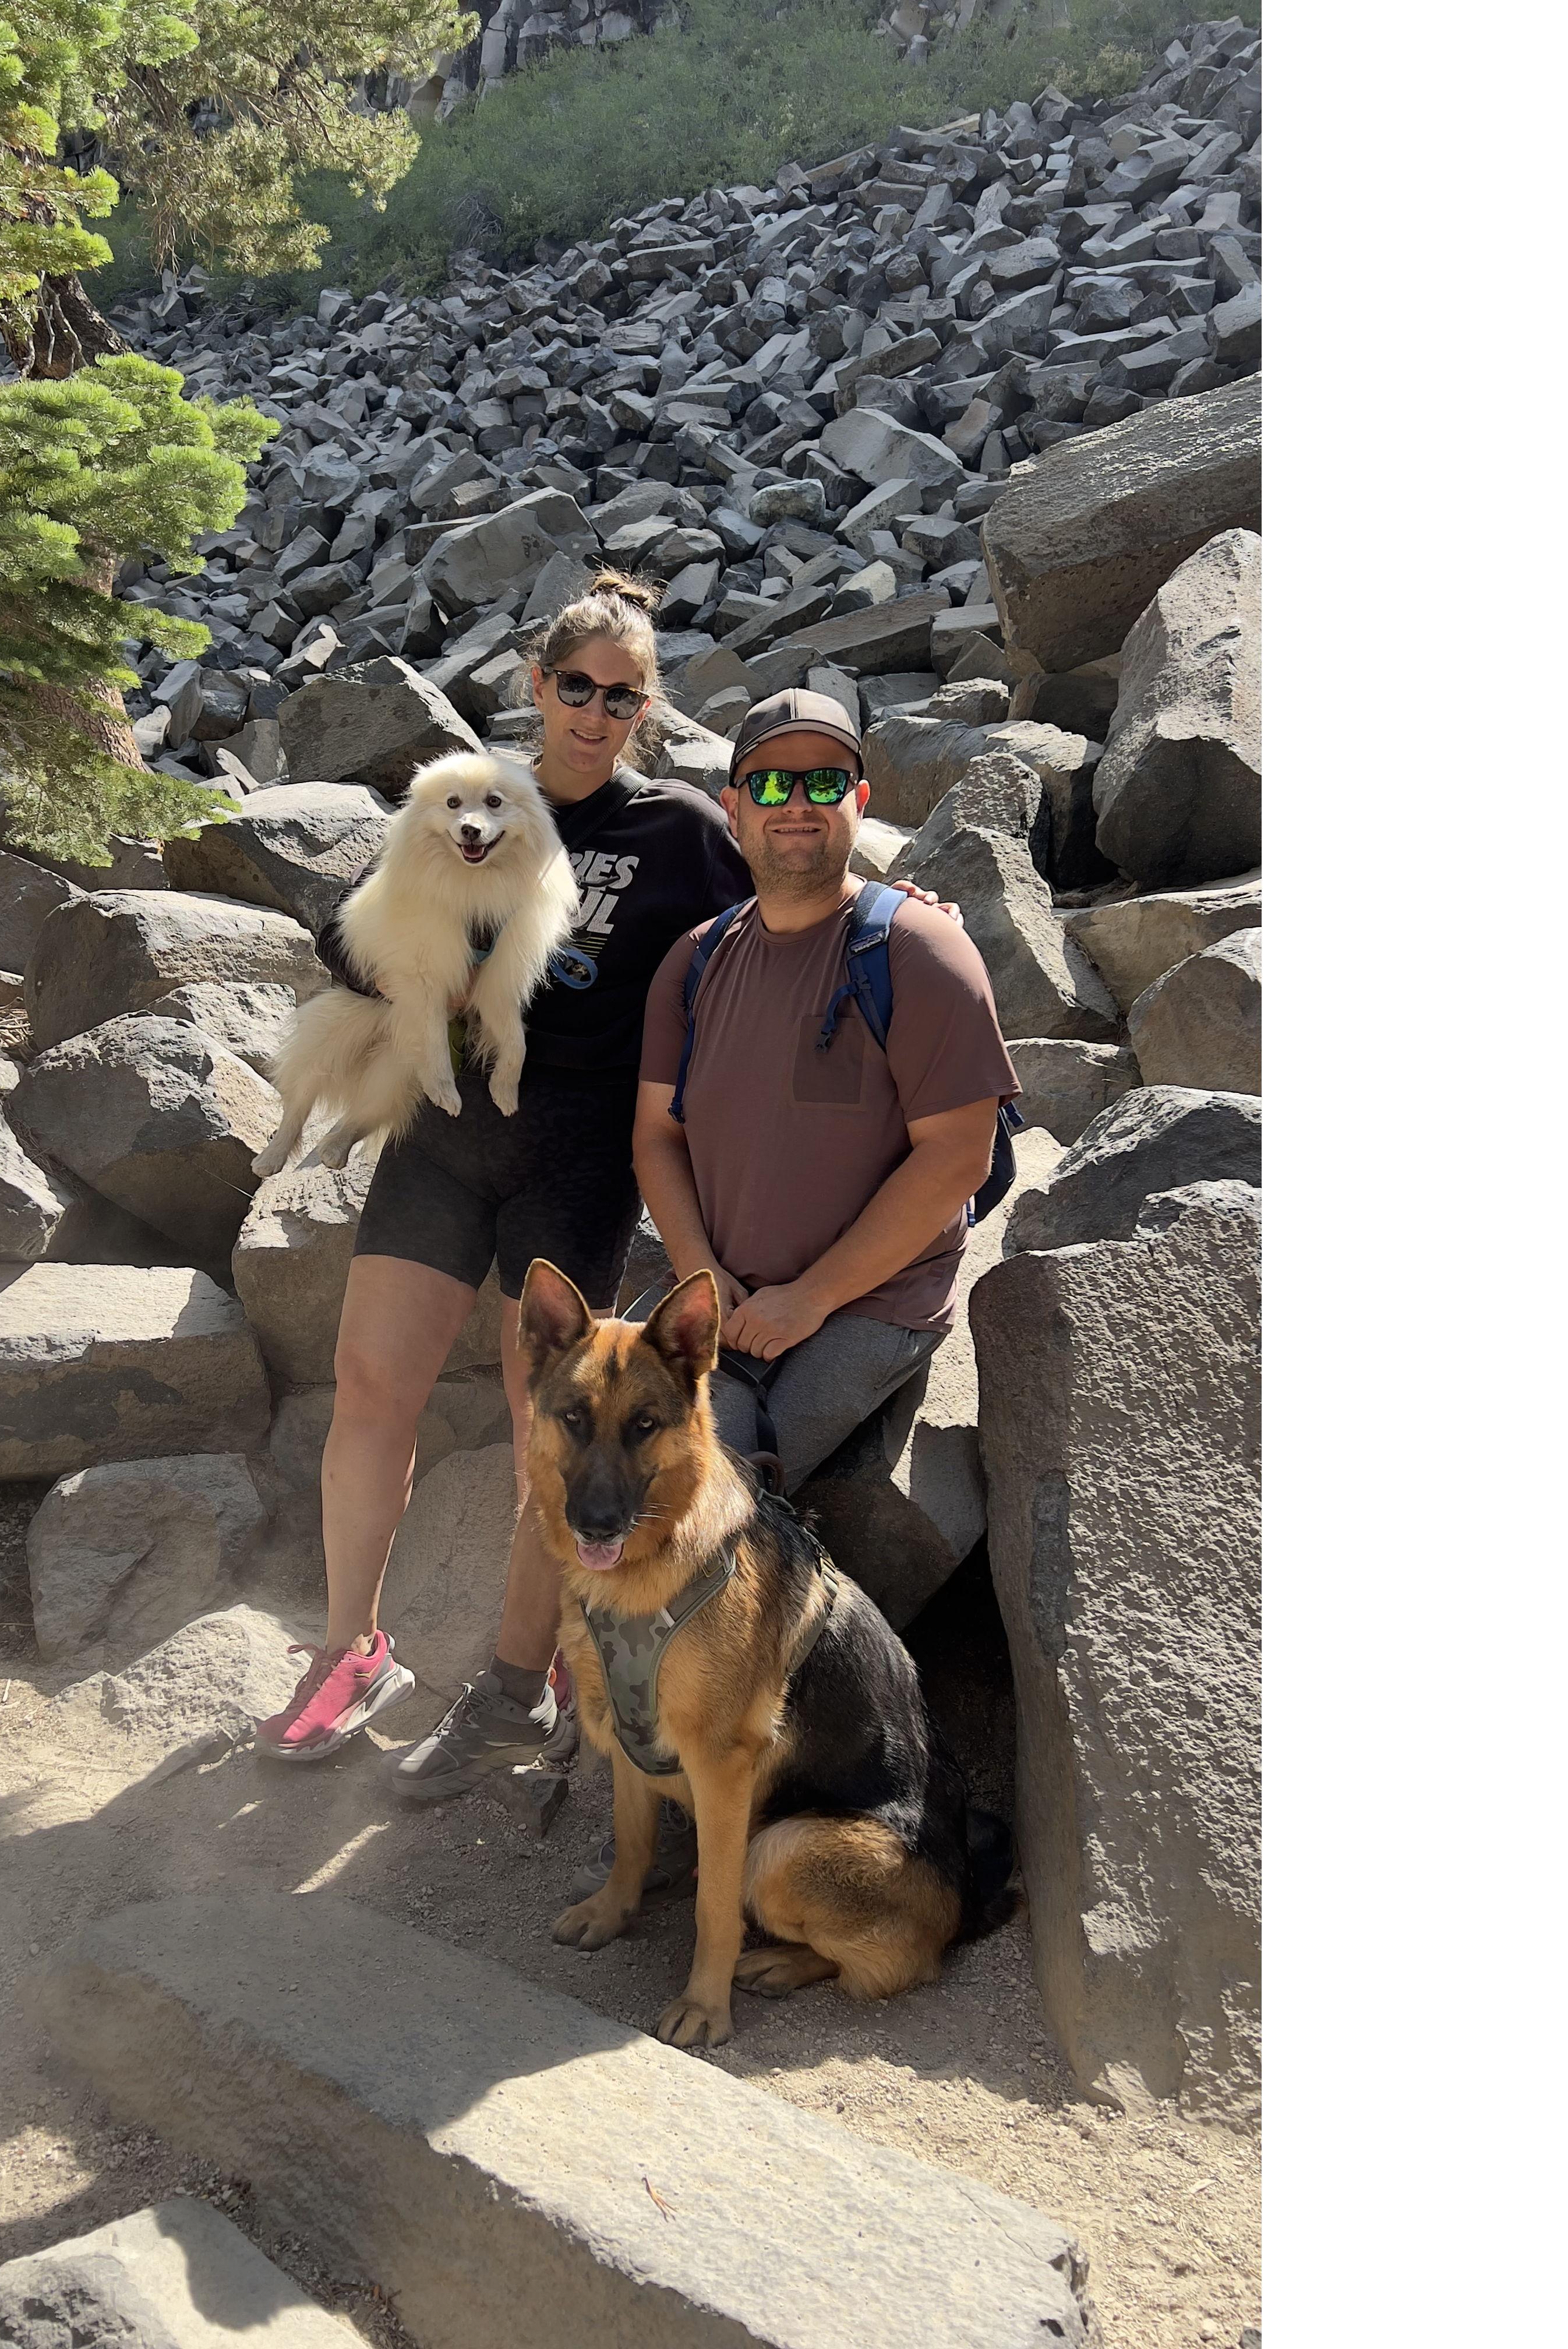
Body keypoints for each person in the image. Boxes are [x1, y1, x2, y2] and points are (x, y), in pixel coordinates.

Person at [252, 571, 750, 1769]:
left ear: (649, 710)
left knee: (559, 1431)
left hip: (575, 1152)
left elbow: (781, 920)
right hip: (444, 1132)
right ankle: (349, 1652)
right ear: (536, 686)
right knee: (372, 1383)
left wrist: (900, 903)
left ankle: (521, 1676)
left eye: (622, 697)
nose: (594, 712)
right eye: (574, 686)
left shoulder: (674, 831)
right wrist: (431, 978)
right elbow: (347, 926)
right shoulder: (480, 798)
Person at [632, 687, 1022, 1501]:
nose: (798, 804)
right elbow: (656, 1137)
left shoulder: (921, 951)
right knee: (587, 1460)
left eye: (824, 782)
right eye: (772, 785)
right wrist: (699, 1271)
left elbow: (957, 1158)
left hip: (869, 1303)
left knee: (696, 1498)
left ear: (861, 800)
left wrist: (809, 1300)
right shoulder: (695, 962)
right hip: (726, 1289)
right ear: (733, 810)